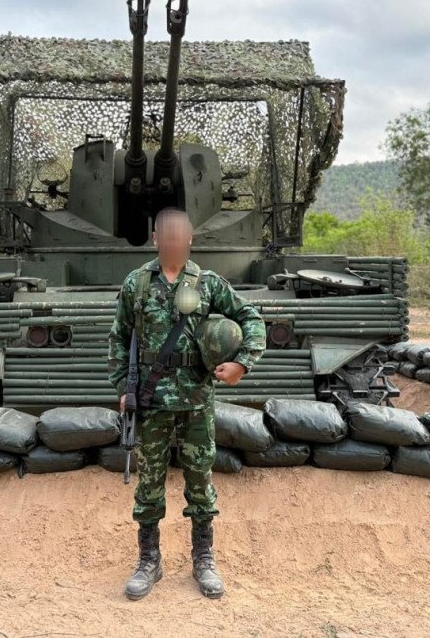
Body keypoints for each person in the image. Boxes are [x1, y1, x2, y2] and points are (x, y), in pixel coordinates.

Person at [107, 207, 266, 601]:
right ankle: (149, 561)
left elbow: (251, 318)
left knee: (200, 481)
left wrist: (242, 363)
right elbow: (118, 337)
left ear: (191, 239)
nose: (175, 242)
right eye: (167, 236)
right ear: (156, 239)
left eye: (182, 236)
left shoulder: (209, 283)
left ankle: (204, 559)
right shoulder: (136, 284)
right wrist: (121, 388)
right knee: (149, 484)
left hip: (196, 398)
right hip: (150, 399)